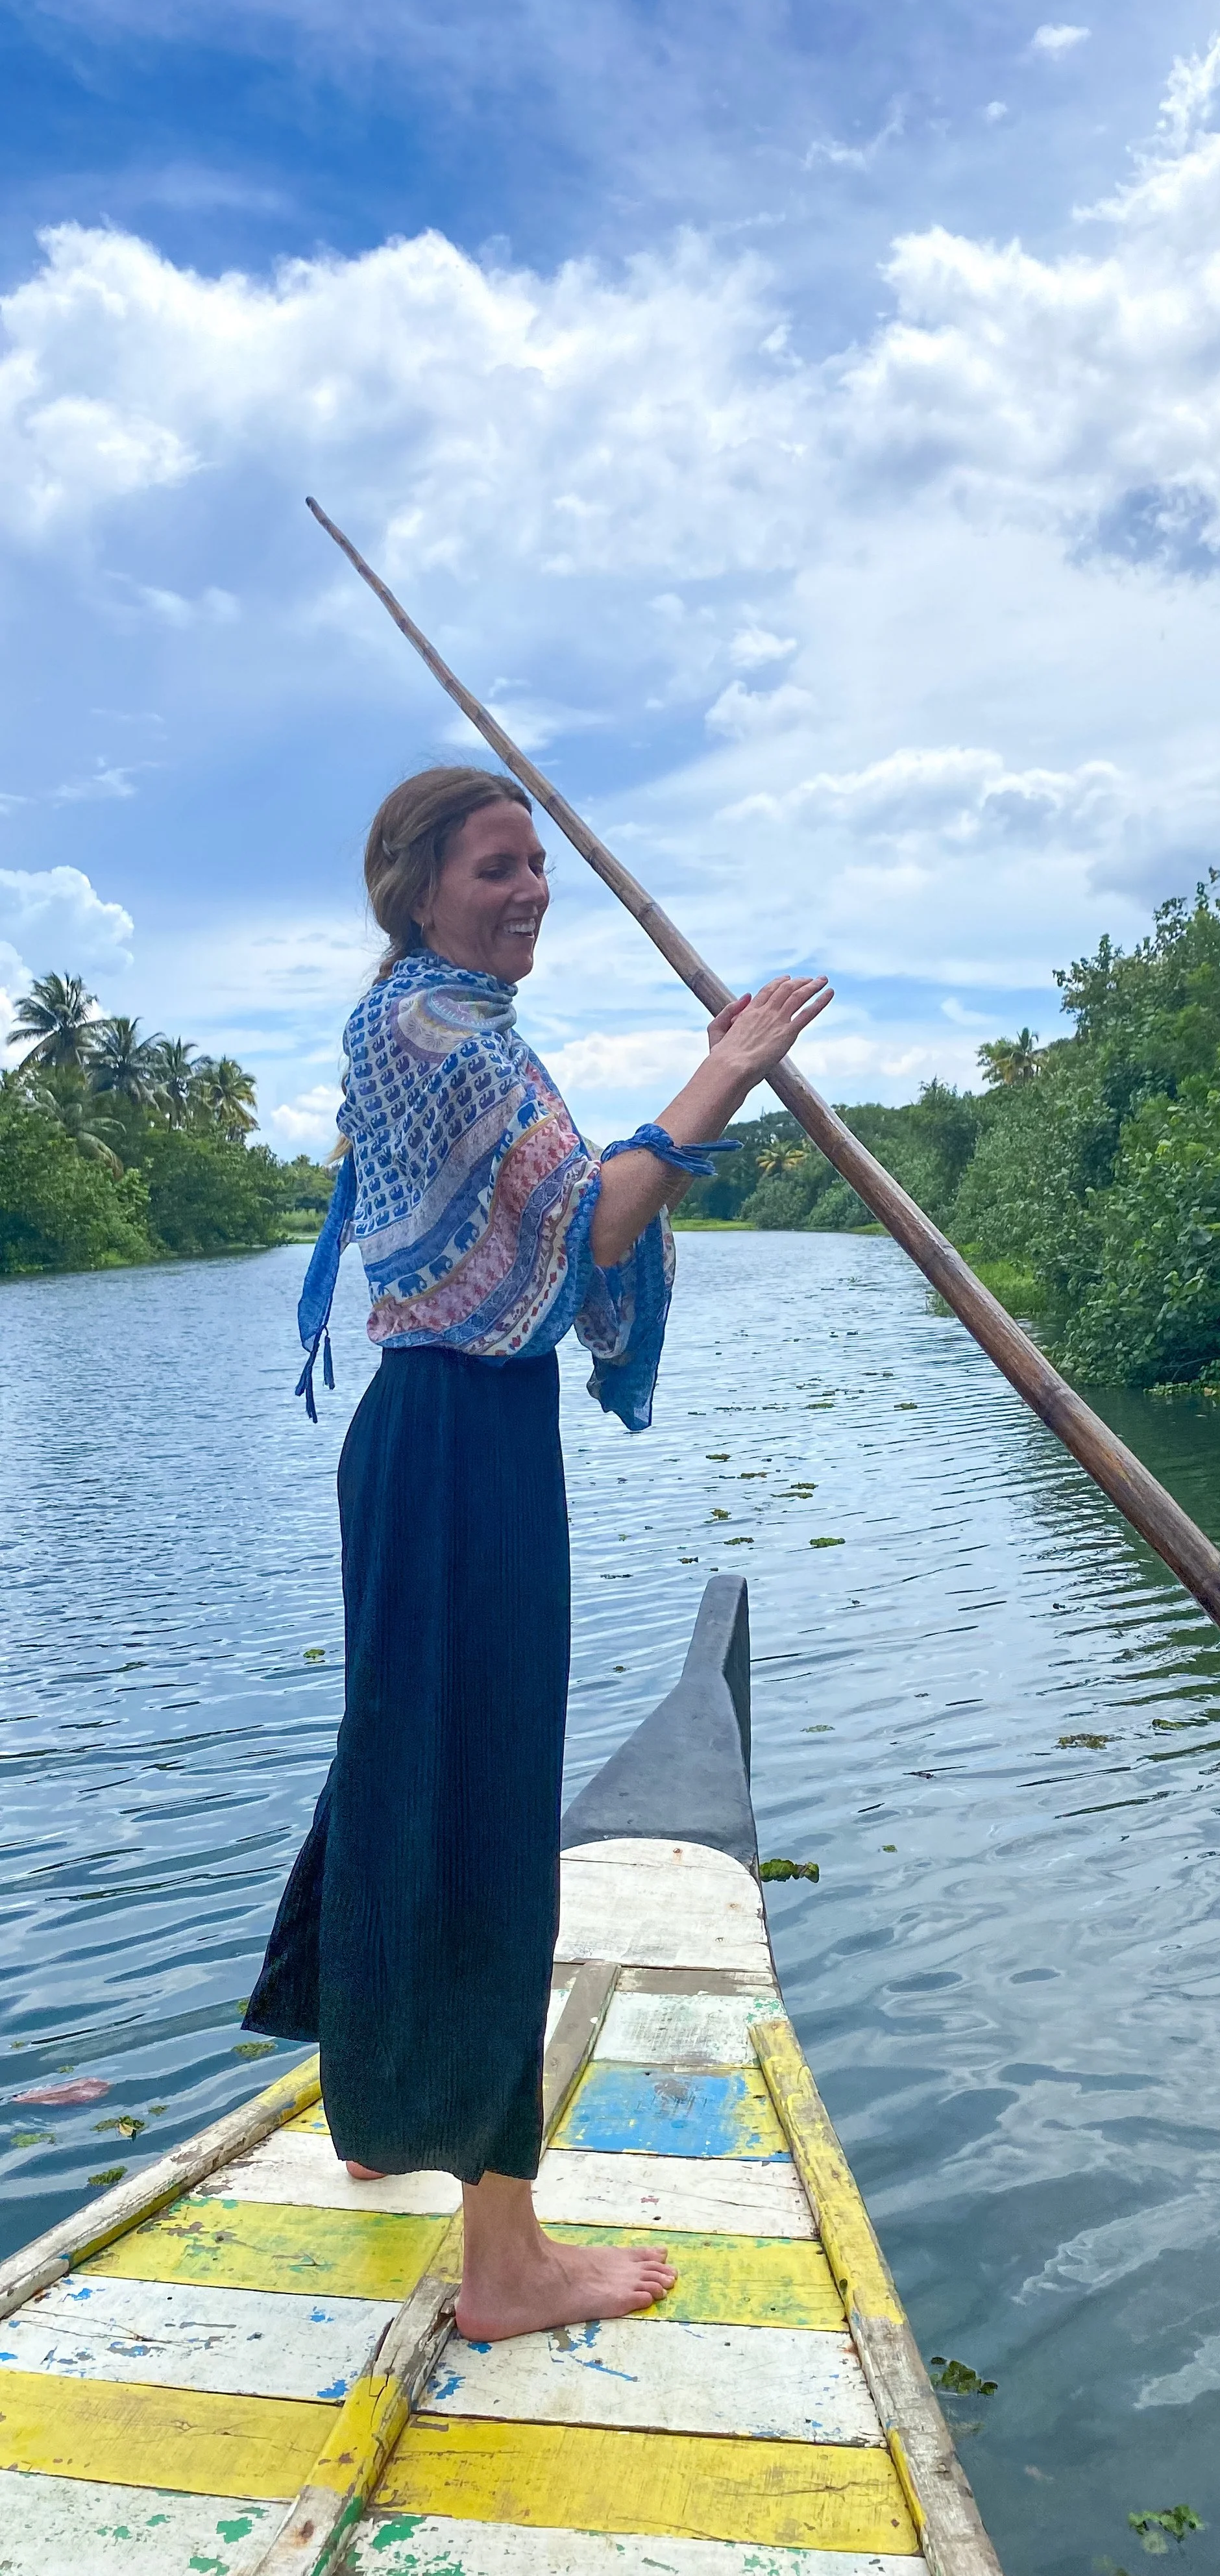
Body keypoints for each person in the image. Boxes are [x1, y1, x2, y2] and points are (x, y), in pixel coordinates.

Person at [244, 763, 831, 2339]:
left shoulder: (444, 1028)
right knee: (484, 1803)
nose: (528, 892)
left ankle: (379, 2107)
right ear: (415, 888)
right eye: (494, 868)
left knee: (402, 1760)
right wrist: (731, 1071)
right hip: (457, 1444)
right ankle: (504, 2262)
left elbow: (562, 1215)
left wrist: (701, 1089)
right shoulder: (431, 1032)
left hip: (443, 1436)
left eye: (539, 868)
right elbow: (595, 1224)